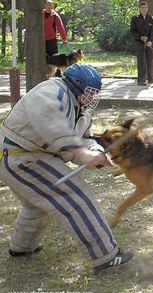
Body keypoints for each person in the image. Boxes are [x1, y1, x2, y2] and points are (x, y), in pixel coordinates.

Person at [0, 64, 133, 272]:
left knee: (37, 206)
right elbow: (52, 126)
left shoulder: (80, 110)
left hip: (25, 157)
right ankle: (105, 255)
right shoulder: (51, 92)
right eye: (90, 92)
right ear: (77, 85)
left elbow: (84, 139)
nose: (92, 98)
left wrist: (96, 152)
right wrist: (82, 153)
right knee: (76, 196)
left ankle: (22, 248)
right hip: (21, 156)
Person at [130, 1, 153, 86]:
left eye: (145, 8)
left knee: (150, 60)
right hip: (139, 43)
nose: (144, 9)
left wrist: (150, 40)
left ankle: (151, 78)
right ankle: (141, 80)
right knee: (141, 61)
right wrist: (140, 37)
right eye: (142, 8)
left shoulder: (151, 19)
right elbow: (132, 31)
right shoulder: (135, 18)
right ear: (139, 9)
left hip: (149, 43)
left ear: (147, 8)